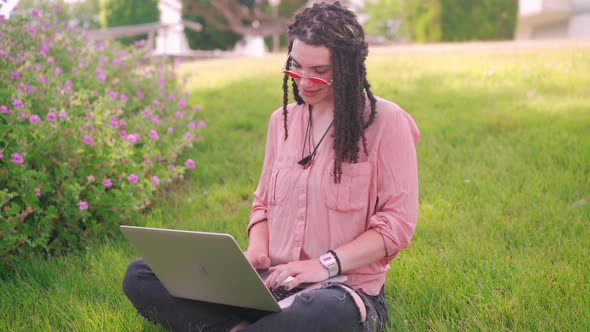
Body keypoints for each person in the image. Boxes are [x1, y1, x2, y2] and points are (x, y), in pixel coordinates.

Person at [122, 2, 420, 331]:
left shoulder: (386, 123)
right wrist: (257, 252)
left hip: (340, 289)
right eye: (296, 66)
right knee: (141, 274)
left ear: (348, 68)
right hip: (270, 285)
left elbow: (396, 226)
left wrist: (323, 266)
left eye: (320, 71)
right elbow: (262, 203)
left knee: (321, 312)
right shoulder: (282, 122)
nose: (305, 81)